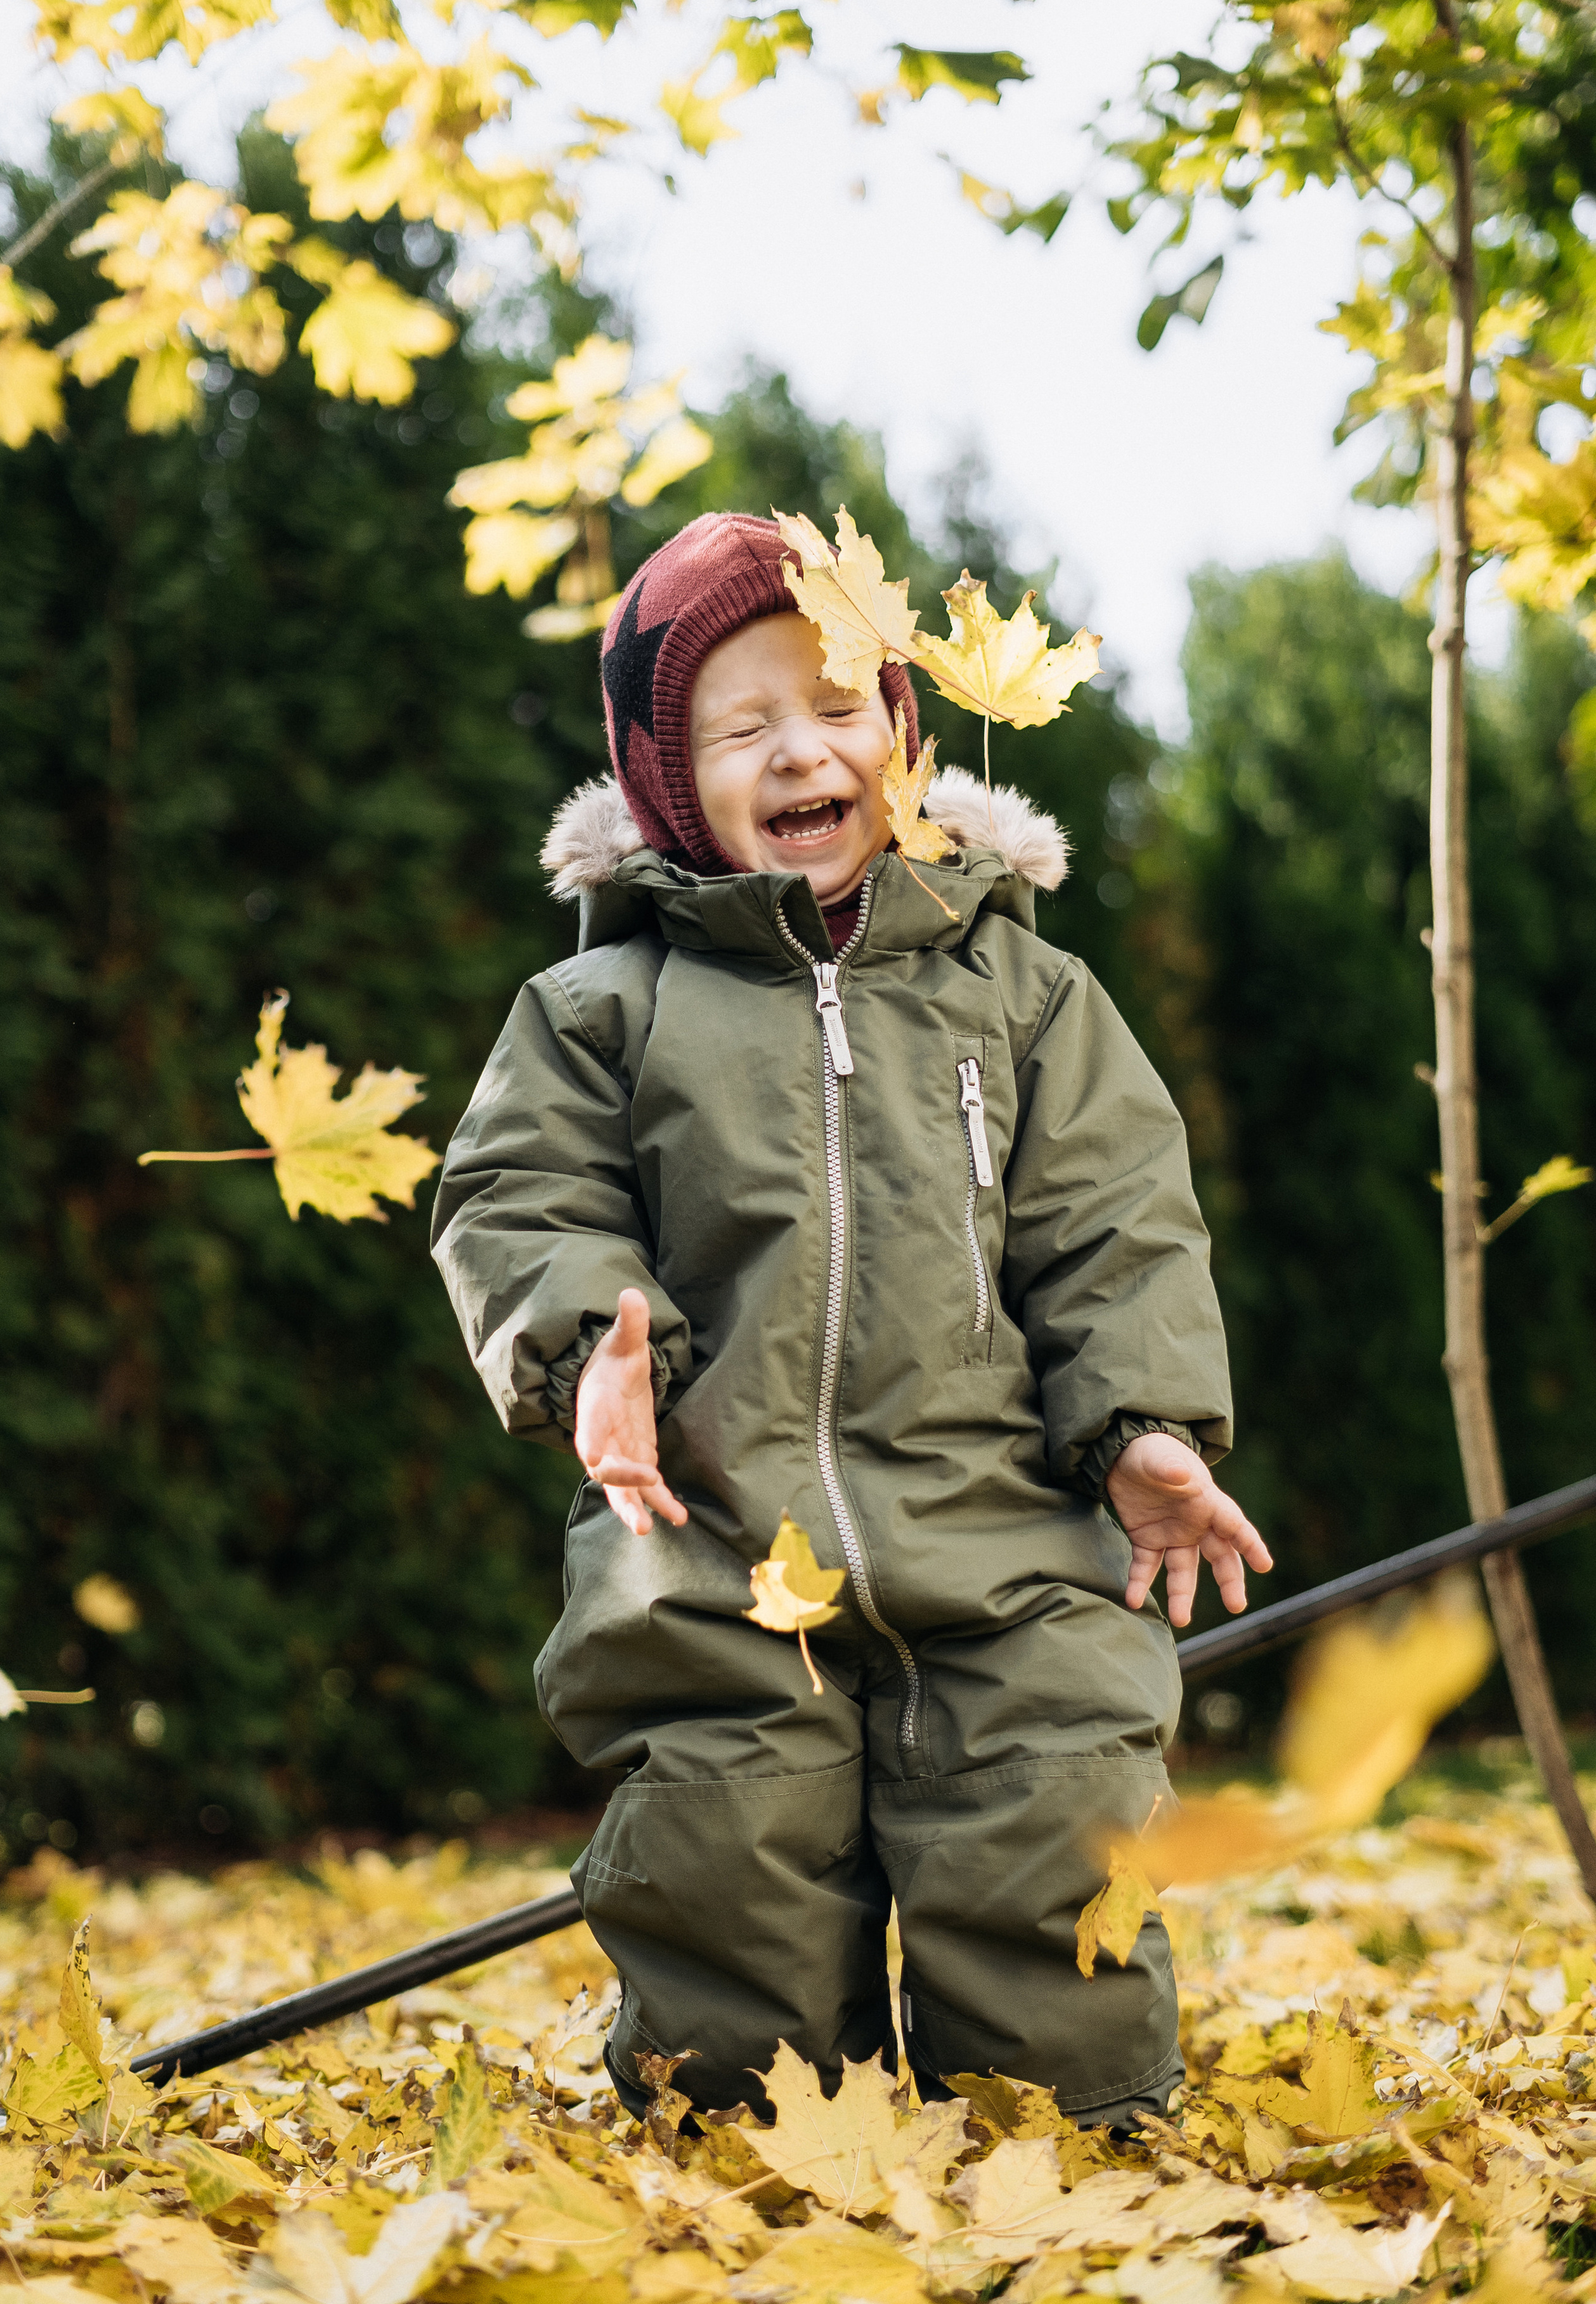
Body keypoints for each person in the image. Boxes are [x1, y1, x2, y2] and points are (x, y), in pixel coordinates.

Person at [431, 511, 1270, 2130]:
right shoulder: (602, 1010)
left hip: (1002, 1548)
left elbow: (1115, 1230)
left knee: (1048, 1832)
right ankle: (754, 2156)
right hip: (712, 1555)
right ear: (672, 780)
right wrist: (584, 1343)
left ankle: (1068, 2152)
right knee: (722, 1868)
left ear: (902, 731)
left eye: (836, 709)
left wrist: (1144, 1428)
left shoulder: (1020, 995)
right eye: (742, 727)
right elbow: (516, 1196)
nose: (801, 752)